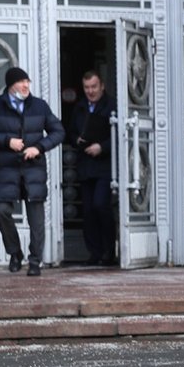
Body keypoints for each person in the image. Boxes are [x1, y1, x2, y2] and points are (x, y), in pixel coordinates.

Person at [0, 66, 64, 276]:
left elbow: (58, 131)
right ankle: (14, 253)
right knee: (1, 211)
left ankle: (35, 262)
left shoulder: (39, 106)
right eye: (21, 82)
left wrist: (38, 147)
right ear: (11, 85)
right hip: (4, 170)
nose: (26, 86)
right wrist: (6, 141)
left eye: (27, 82)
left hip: (33, 171)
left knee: (36, 220)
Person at [65, 69, 116, 266]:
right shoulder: (79, 107)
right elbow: (71, 131)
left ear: (102, 86)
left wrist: (102, 147)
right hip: (85, 166)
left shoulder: (112, 105)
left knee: (100, 205)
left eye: (94, 87)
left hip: (104, 165)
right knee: (88, 211)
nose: (90, 91)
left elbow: (121, 133)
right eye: (86, 87)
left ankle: (109, 251)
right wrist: (76, 139)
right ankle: (94, 253)